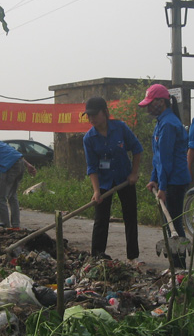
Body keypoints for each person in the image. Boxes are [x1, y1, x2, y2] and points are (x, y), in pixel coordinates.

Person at [82, 97, 143, 264]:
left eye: (95, 114)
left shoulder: (120, 128)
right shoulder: (89, 138)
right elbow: (92, 167)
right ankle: (97, 256)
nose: (92, 119)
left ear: (105, 112)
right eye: (89, 116)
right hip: (104, 183)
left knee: (130, 216)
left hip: (124, 179)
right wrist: (96, 191)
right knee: (101, 219)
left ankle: (133, 256)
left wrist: (133, 173)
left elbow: (137, 149)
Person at [138, 84, 191, 268]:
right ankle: (177, 266)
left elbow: (167, 159)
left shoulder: (169, 124)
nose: (148, 108)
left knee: (174, 224)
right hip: (169, 180)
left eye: (151, 104)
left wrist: (163, 188)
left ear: (161, 102)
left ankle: (180, 267)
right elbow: (158, 156)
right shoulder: (161, 122)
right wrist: (154, 178)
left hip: (175, 181)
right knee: (171, 225)